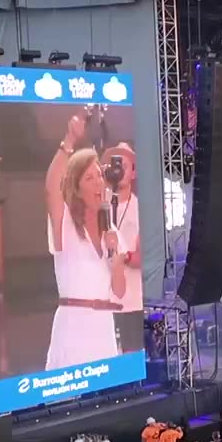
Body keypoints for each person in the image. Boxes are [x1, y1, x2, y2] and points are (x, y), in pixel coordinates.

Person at [43, 112, 128, 371]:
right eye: (89, 178)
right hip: (73, 329)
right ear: (76, 187)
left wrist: (115, 259)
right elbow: (50, 188)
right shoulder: (65, 222)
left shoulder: (110, 227)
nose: (97, 183)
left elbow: (121, 290)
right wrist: (69, 141)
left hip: (103, 331)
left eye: (98, 176)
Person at [102, 142, 143, 353]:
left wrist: (123, 257)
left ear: (134, 173)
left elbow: (145, 258)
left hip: (132, 304)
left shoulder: (141, 209)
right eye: (116, 164)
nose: (119, 169)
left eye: (124, 164)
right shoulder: (100, 204)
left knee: (130, 357)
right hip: (101, 300)